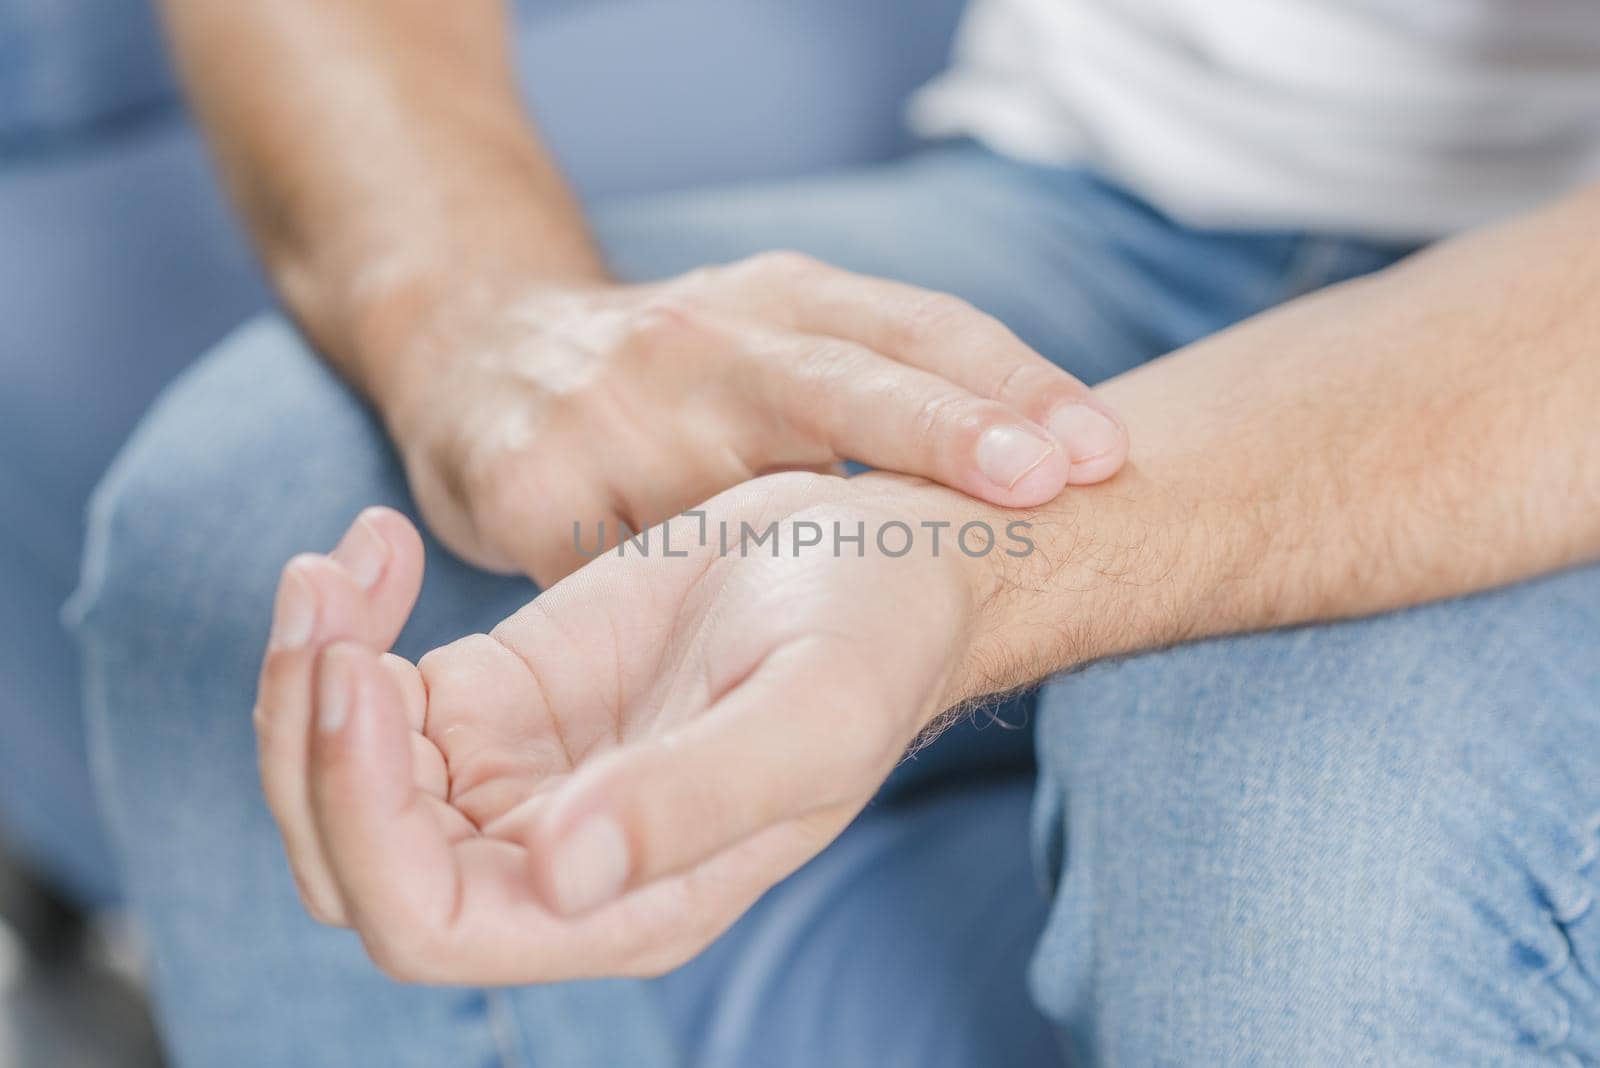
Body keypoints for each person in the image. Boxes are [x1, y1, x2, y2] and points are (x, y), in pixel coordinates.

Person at [72, 0, 1599, 1065]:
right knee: (253, 529)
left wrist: (964, 567)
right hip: (1111, 193)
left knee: (1283, 826)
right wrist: (474, 318)